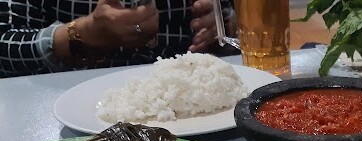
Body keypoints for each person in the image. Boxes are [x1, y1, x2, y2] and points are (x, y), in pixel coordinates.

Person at [0, 0, 234, 77]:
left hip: (201, 105)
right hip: (70, 113)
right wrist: (79, 34)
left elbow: (235, 20)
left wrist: (225, 24)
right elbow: (4, 43)